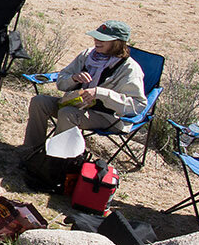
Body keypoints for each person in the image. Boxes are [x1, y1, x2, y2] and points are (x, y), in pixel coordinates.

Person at [22, 19, 147, 158]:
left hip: (107, 117)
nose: (97, 41)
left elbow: (138, 106)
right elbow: (61, 81)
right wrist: (74, 78)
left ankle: (56, 161)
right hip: (77, 105)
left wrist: (101, 93)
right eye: (96, 37)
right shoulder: (87, 55)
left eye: (103, 39)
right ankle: (31, 153)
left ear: (117, 43)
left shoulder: (129, 68)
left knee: (67, 114)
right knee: (39, 102)